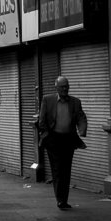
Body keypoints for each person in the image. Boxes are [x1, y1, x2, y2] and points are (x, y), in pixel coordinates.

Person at [36, 75, 88, 210]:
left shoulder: (75, 102)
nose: (65, 89)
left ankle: (64, 199)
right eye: (62, 87)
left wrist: (82, 130)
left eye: (67, 86)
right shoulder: (48, 100)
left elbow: (81, 117)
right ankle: (60, 200)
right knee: (57, 169)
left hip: (68, 140)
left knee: (66, 169)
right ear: (56, 88)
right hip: (53, 140)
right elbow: (42, 121)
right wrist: (45, 134)